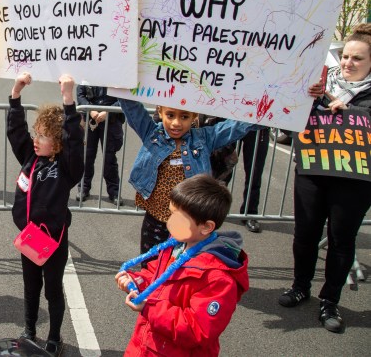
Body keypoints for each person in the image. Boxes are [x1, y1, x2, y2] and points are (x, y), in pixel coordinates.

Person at [278, 23, 371, 333]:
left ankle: (329, 300)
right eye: (345, 56)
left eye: (357, 58)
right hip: (313, 171)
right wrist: (310, 98)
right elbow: (291, 114)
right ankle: (300, 286)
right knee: (304, 233)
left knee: (341, 242)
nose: (347, 63)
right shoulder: (320, 85)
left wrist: (350, 112)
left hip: (354, 182)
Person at [115, 174, 249, 356]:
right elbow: (157, 276)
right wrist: (137, 280)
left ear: (206, 227)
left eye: (178, 219)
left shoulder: (218, 278)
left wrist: (150, 308)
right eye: (171, 214)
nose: (170, 223)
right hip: (146, 345)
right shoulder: (177, 245)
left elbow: (197, 329)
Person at [7, 72, 84, 356]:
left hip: (53, 239)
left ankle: (54, 336)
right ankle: (29, 329)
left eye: (43, 136)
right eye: (35, 133)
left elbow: (75, 143)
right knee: (31, 287)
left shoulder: (66, 167)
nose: (36, 140)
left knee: (52, 290)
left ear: (59, 142)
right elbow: (16, 131)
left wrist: (68, 99)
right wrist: (15, 92)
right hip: (29, 237)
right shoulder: (30, 156)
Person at [118, 98, 257, 254]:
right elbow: (132, 108)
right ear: (160, 112)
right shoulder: (151, 133)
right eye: (170, 115)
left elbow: (235, 127)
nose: (176, 123)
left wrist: (268, 113)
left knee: (181, 269)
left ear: (194, 116)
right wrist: (120, 84)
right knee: (150, 263)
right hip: (155, 220)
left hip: (189, 223)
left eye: (184, 117)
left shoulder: (204, 138)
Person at [75, 85, 124, 204]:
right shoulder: (89, 71)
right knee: (87, 156)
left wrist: (108, 112)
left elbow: (124, 98)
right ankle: (83, 188)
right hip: (90, 119)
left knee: (110, 158)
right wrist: (91, 110)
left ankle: (114, 192)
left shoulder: (118, 73)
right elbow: (80, 94)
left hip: (111, 120)